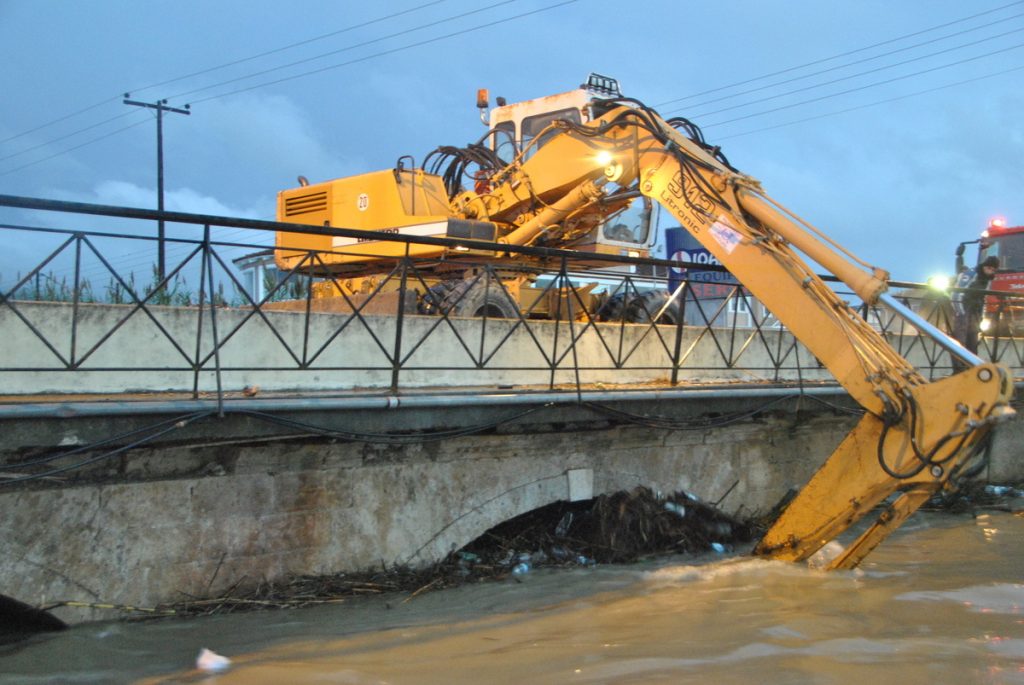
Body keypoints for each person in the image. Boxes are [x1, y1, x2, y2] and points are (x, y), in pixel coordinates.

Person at [952, 255, 999, 357]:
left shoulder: (988, 279)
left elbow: (984, 298)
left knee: (973, 341)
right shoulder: (971, 273)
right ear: (984, 266)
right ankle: (959, 368)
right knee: (960, 341)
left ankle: (970, 366)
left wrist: (982, 315)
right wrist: (960, 311)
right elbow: (957, 293)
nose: (990, 271)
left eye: (993, 269)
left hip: (975, 311)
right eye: (988, 267)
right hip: (965, 308)